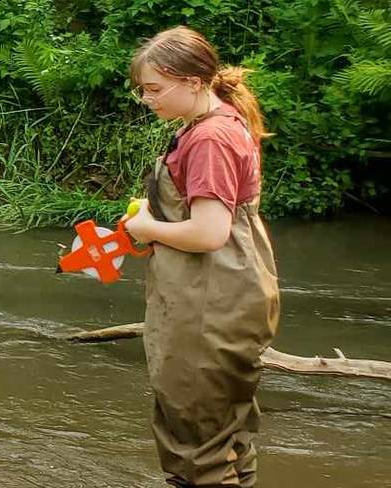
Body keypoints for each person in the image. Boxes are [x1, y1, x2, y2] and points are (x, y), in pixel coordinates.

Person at [121, 26, 281, 488]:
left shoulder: (209, 139)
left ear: (192, 81)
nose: (147, 100)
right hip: (233, 294)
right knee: (227, 437)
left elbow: (209, 233)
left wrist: (147, 228)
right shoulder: (222, 121)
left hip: (209, 302)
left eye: (154, 89)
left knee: (196, 445)